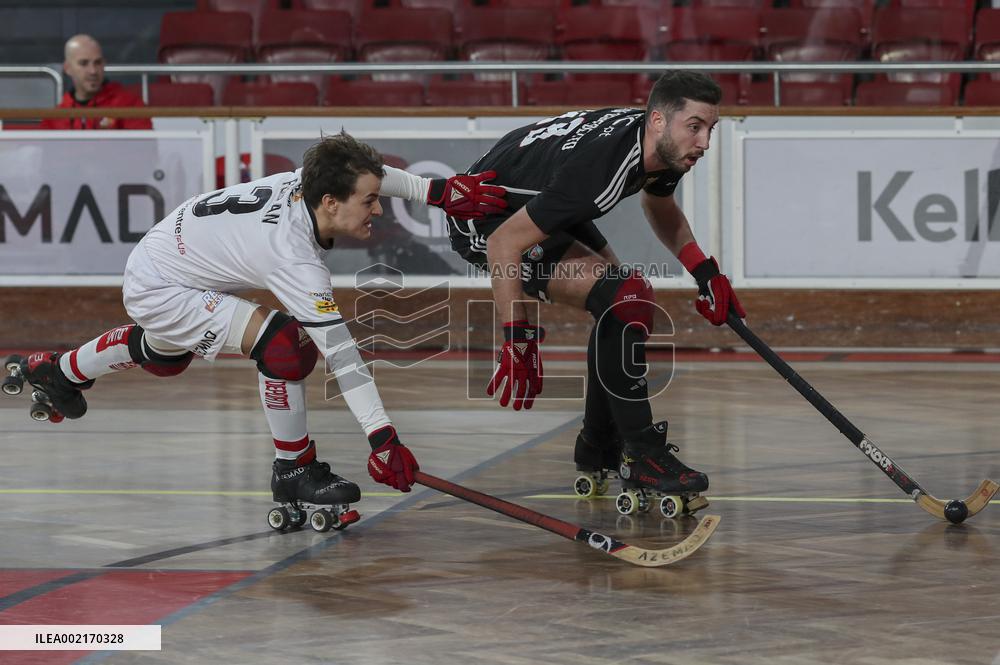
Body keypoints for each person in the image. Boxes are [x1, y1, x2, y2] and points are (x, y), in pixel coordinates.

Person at [11, 131, 506, 529]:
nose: (379, 209)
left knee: (164, 354)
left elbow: (369, 177)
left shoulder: (309, 183)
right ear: (331, 203)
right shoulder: (292, 257)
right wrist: (382, 437)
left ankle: (61, 372)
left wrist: (438, 192)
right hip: (162, 282)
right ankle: (294, 468)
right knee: (285, 348)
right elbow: (344, 357)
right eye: (371, 202)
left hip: (162, 259)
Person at [448, 71, 745, 515]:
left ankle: (599, 445)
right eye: (695, 127)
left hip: (539, 191)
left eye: (710, 129)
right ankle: (639, 452)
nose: (704, 142)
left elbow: (659, 205)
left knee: (628, 298)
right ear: (660, 121)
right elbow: (503, 244)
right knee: (626, 296)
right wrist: (518, 340)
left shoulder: (655, 145)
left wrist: (705, 271)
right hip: (484, 218)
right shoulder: (602, 168)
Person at [40, 34, 152, 130]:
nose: (93, 71)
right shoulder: (54, 118)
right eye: (84, 63)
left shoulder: (129, 105)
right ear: (67, 68)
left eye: (97, 63)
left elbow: (144, 152)